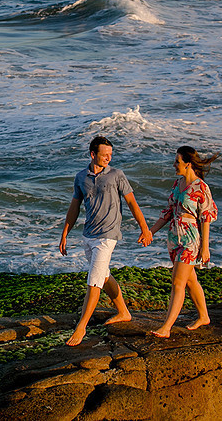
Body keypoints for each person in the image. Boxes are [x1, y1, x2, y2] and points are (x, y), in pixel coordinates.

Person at [59, 135, 152, 346]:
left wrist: (145, 229)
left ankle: (81, 326)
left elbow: (132, 203)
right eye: (104, 155)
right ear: (93, 154)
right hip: (88, 235)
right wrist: (65, 233)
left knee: (94, 280)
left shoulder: (117, 175)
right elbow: (74, 207)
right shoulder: (81, 177)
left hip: (108, 236)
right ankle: (123, 311)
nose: (108, 158)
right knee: (104, 275)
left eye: (110, 155)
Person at [148, 145, 219, 338]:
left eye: (177, 162)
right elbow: (168, 212)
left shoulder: (201, 188)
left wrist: (205, 248)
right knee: (190, 280)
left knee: (177, 282)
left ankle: (167, 327)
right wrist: (150, 232)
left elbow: (206, 218)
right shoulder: (177, 184)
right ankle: (204, 316)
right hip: (174, 238)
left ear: (188, 164)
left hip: (190, 240)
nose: (174, 165)